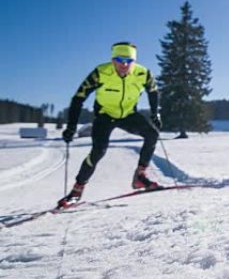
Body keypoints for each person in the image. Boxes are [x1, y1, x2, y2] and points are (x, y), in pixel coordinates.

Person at [58, 42, 163, 207]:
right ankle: (76, 190)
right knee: (99, 150)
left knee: (152, 134)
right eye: (120, 60)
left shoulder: (143, 73)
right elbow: (79, 98)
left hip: (128, 114)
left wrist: (155, 113)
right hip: (104, 115)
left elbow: (153, 91)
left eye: (129, 60)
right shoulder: (100, 73)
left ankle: (140, 177)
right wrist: (71, 126)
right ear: (113, 60)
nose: (124, 64)